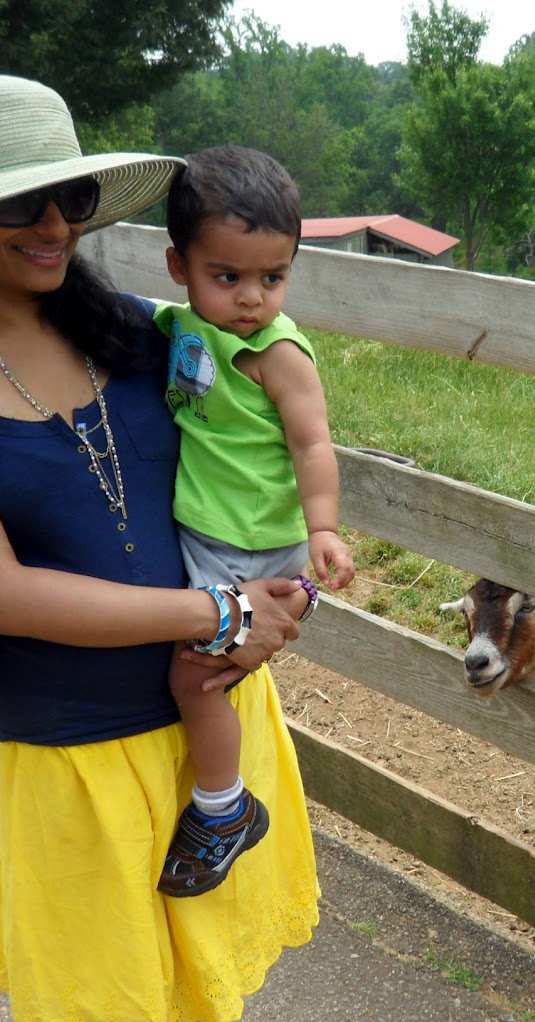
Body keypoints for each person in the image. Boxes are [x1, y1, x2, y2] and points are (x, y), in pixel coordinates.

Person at [0, 74, 319, 1022]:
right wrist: (219, 611)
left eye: (72, 198)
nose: (54, 224)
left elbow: (265, 459)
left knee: (185, 1000)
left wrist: (285, 589)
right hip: (74, 761)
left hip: (209, 724)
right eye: (19, 202)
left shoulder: (144, 333)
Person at [153, 145, 355, 897]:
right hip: (209, 533)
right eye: (227, 276)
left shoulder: (279, 354)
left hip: (248, 544)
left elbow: (311, 442)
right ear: (179, 266)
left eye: (273, 278)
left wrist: (325, 529)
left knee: (195, 680)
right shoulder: (178, 327)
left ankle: (221, 807)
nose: (251, 299)